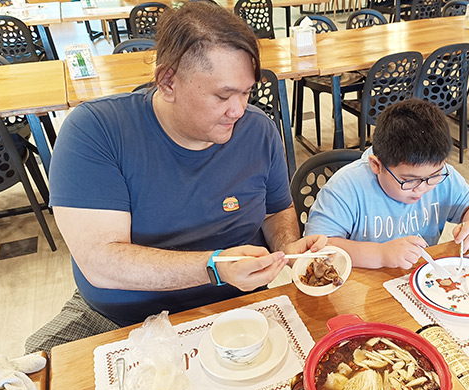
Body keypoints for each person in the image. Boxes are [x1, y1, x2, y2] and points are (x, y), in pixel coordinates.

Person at [25, 2, 325, 354]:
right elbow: (101, 262)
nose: (239, 110)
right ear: (168, 82)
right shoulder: (97, 130)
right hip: (121, 315)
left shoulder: (257, 129)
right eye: (223, 95)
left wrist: (287, 248)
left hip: (238, 304)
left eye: (246, 93)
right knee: (36, 376)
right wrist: (214, 267)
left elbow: (276, 211)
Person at [304, 98, 469, 269]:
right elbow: (318, 249)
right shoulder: (345, 188)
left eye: (434, 176)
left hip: (418, 278)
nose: (422, 188)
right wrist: (380, 255)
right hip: (359, 287)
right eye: (409, 180)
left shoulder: (442, 177)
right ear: (376, 165)